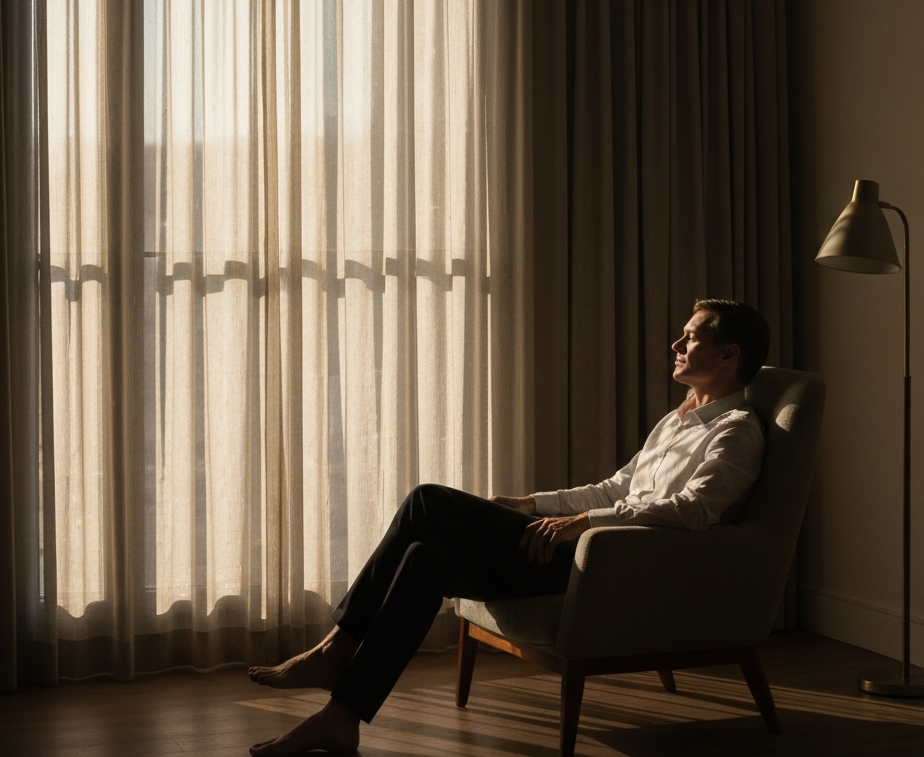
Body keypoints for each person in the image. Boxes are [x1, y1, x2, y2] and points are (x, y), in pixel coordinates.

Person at [247, 298, 770, 756]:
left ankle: (336, 649)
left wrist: (582, 522)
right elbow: (617, 486)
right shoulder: (677, 420)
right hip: (582, 547)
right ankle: (343, 717)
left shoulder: (737, 432)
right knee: (424, 558)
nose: (676, 342)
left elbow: (692, 510)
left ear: (728, 355)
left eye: (693, 334)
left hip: (613, 565)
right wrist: (532, 504)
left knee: (429, 500)